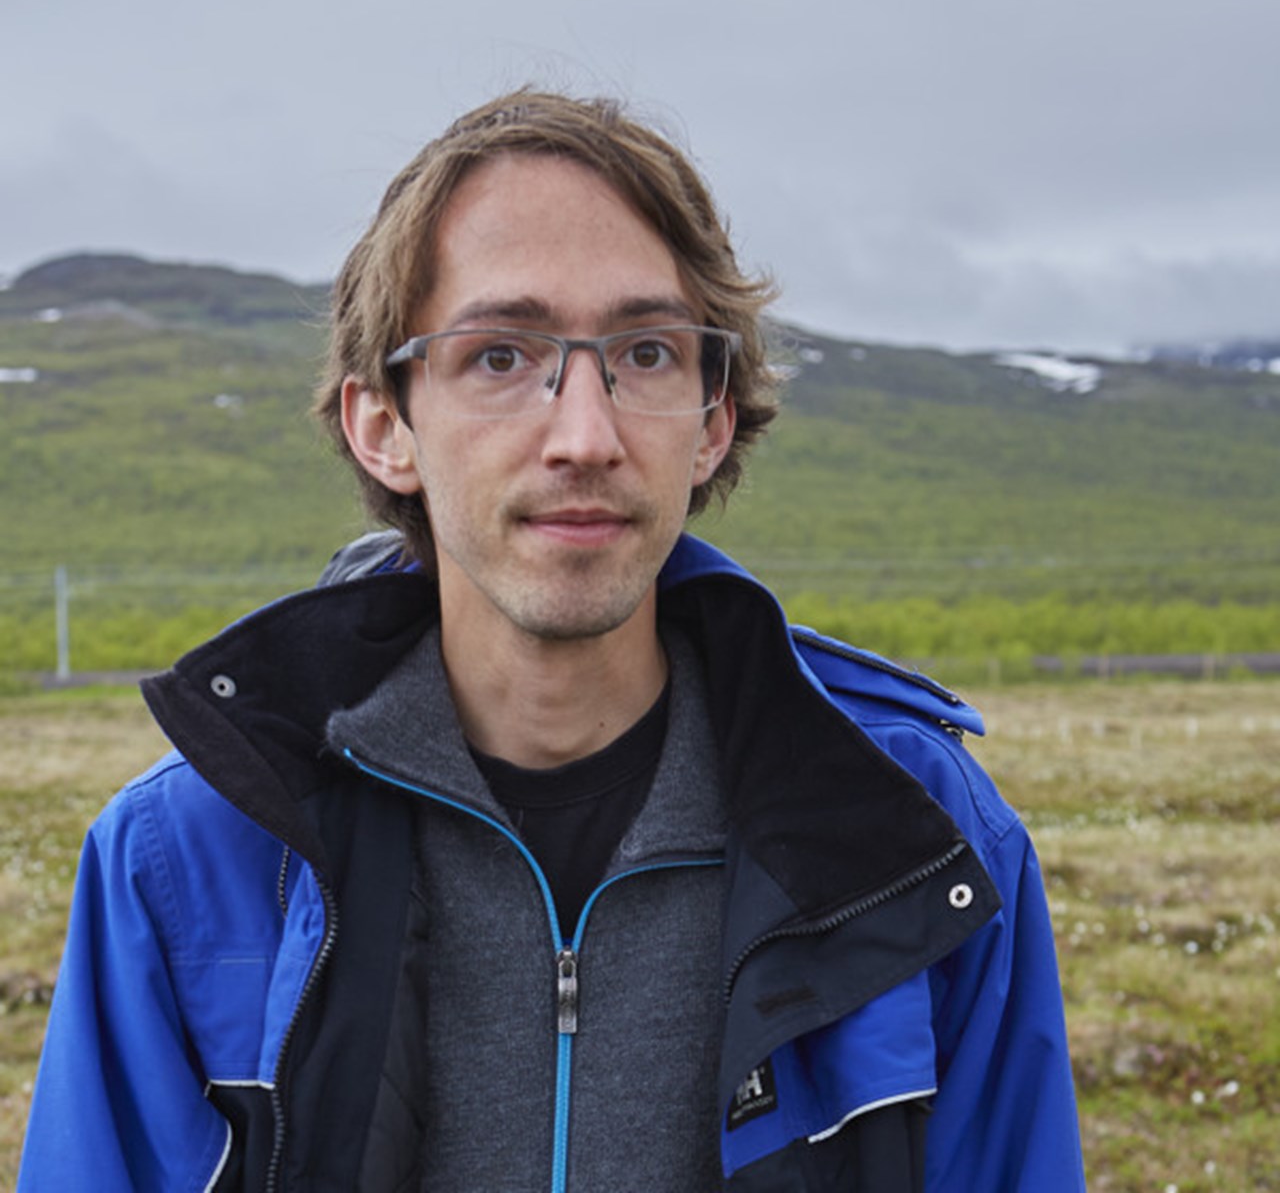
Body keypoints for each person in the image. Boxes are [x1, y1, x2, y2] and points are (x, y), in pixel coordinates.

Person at [19, 90, 1085, 1191]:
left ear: (712, 422)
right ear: (383, 424)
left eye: (648, 353)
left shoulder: (916, 833)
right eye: (498, 355)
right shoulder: (186, 854)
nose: (584, 435)